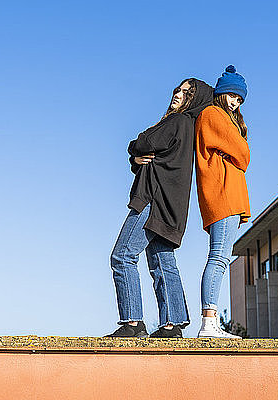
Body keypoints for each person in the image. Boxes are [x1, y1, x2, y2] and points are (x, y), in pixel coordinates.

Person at [106, 78, 213, 338]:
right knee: (162, 261)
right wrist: (137, 160)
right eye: (178, 89)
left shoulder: (176, 122)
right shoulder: (189, 128)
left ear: (195, 100)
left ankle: (133, 322)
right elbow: (152, 156)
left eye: (187, 92)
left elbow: (142, 142)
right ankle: (172, 324)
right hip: (172, 206)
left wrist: (134, 152)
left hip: (153, 200)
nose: (179, 94)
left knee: (122, 256)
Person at [194, 65, 251, 338]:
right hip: (223, 195)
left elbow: (240, 153)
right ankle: (208, 322)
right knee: (219, 258)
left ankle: (212, 321)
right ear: (222, 93)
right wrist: (238, 150)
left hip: (227, 195)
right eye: (232, 96)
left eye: (239, 100)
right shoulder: (213, 114)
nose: (235, 102)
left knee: (220, 258)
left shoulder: (222, 117)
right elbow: (243, 153)